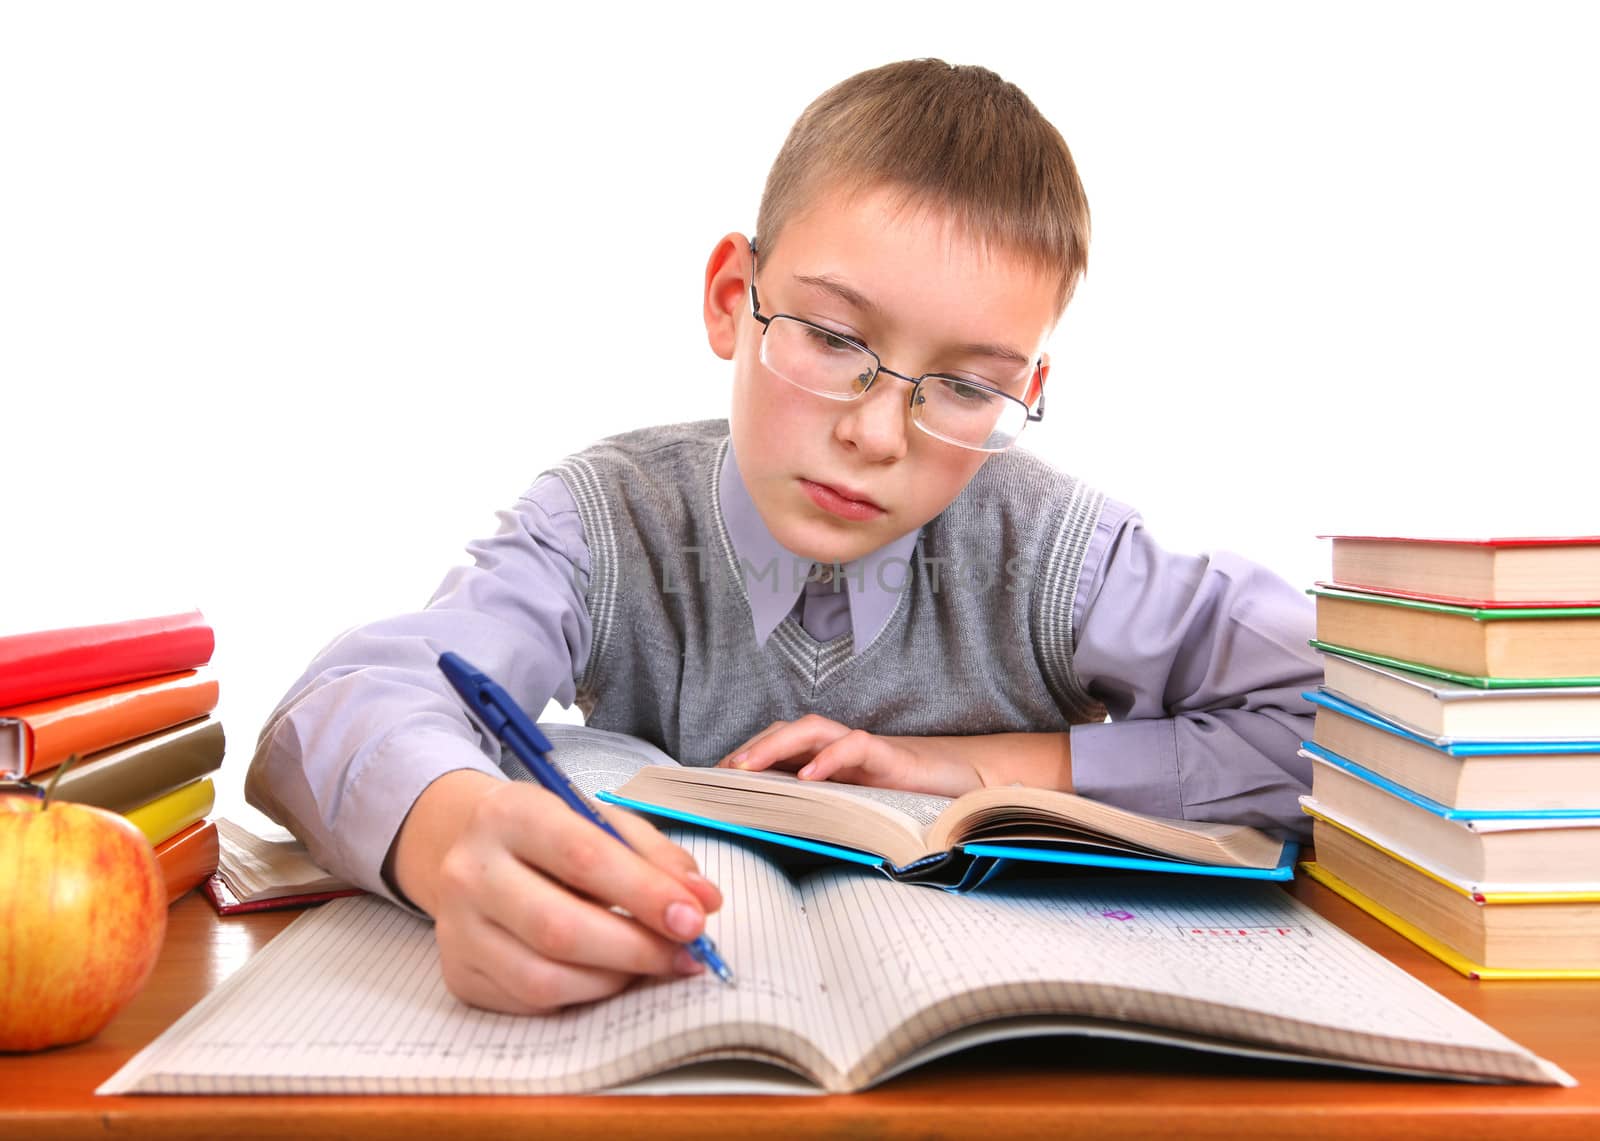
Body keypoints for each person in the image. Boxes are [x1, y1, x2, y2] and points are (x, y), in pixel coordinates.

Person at [248, 58, 1320, 1018]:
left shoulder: (1053, 552)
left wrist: (964, 768)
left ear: (1022, 391)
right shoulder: (609, 522)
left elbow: (1339, 723)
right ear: (733, 298)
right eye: (830, 337)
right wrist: (448, 840)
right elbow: (347, 701)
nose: (872, 432)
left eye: (960, 386)